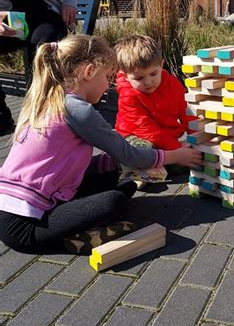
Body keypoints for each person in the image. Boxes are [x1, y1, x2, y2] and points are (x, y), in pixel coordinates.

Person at [0, 35, 202, 255]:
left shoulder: (54, 99)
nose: (109, 85)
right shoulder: (78, 110)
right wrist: (177, 156)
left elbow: (65, 164)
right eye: (107, 77)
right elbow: (130, 155)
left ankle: (80, 220)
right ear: (88, 73)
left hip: (33, 200)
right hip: (25, 228)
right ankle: (78, 238)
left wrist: (112, 164)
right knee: (114, 202)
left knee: (123, 182)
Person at [0, 0, 80, 135]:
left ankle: (48, 111)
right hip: (15, 22)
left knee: (44, 43)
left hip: (45, 14)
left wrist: (69, 2)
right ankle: (1, 117)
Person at [114, 34, 195, 166]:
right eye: (139, 78)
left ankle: (156, 167)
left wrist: (197, 138)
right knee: (143, 150)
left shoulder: (171, 83)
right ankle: (128, 168)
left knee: (195, 157)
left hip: (165, 138)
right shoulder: (128, 95)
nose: (148, 82)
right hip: (134, 137)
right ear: (125, 75)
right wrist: (177, 149)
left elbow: (186, 111)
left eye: (153, 74)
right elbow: (146, 130)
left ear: (161, 65)